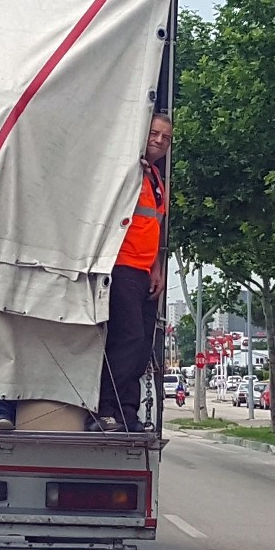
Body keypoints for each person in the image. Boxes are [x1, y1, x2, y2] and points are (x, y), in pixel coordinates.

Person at [87, 113, 171, 432]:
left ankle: (127, 413)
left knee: (140, 347)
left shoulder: (156, 181)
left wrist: (157, 268)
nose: (160, 140)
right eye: (154, 133)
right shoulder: (131, 171)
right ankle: (106, 409)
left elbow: (154, 227)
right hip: (121, 267)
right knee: (127, 339)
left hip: (143, 272)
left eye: (165, 137)